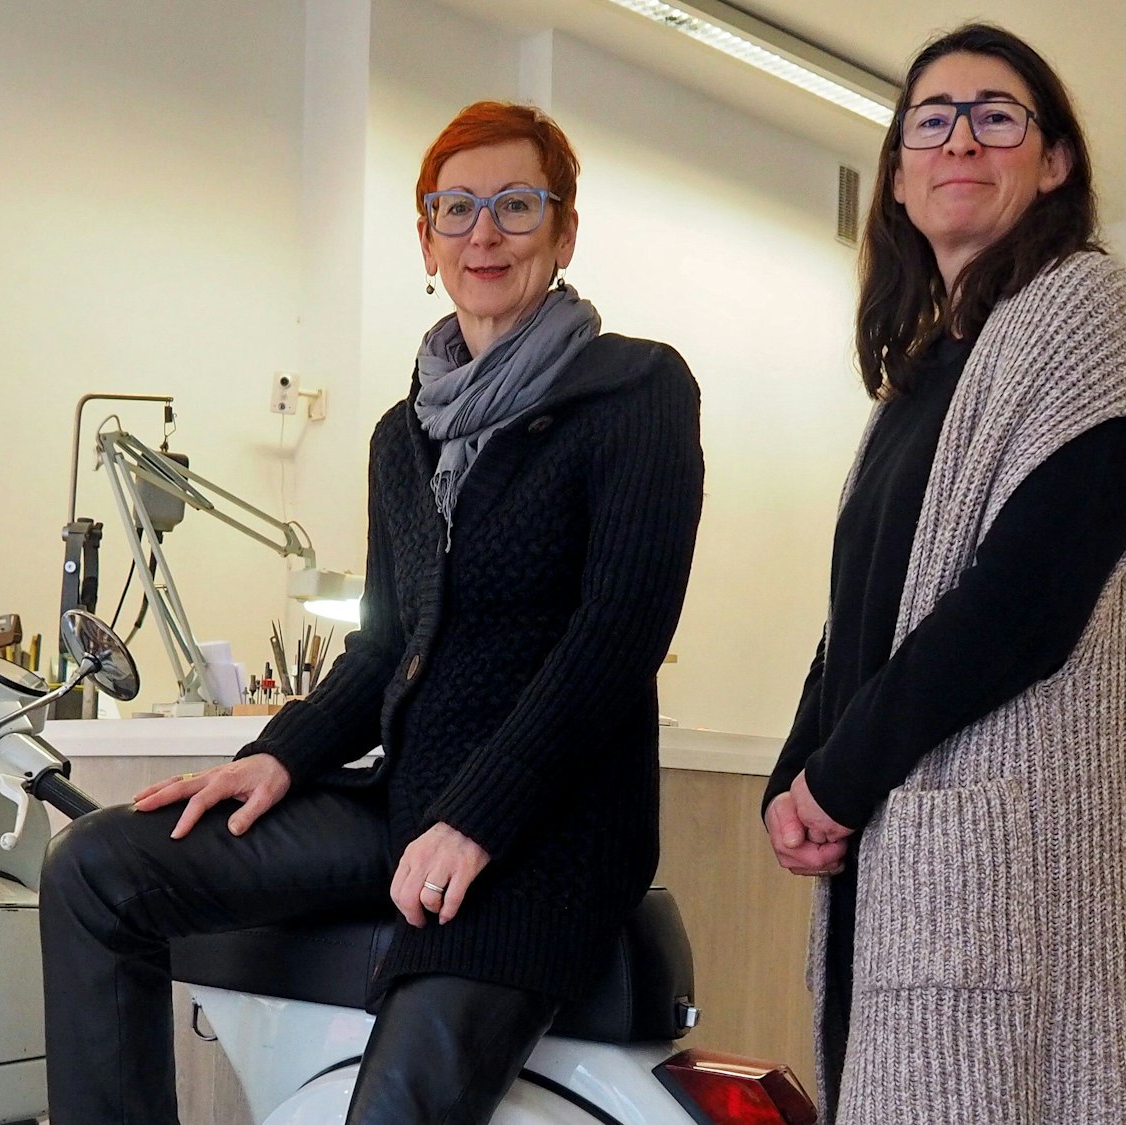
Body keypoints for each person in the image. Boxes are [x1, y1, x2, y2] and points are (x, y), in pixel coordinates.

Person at [39, 100, 704, 1125]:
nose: (483, 233)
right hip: (403, 805)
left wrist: (475, 820)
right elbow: (386, 645)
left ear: (563, 231)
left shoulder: (635, 392)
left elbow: (613, 638)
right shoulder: (405, 433)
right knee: (96, 868)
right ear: (426, 239)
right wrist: (276, 755)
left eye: (515, 207)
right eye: (456, 209)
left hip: (548, 835)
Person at [759, 23, 1126, 1125]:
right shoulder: (920, 375)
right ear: (895, 178)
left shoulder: (1080, 309)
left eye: (996, 116)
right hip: (894, 863)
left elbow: (1021, 605)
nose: (959, 140)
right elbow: (859, 615)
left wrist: (837, 777)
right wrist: (796, 767)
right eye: (929, 120)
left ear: (1051, 163)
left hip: (998, 861)